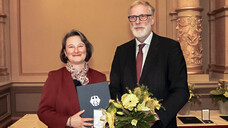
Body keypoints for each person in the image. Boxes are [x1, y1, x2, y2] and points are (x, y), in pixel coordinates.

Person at [109, 1, 189, 128]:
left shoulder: (170, 48)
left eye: (143, 16)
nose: (137, 21)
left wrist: (156, 117)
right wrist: (124, 110)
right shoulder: (121, 51)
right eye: (133, 17)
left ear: (152, 19)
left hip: (160, 125)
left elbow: (181, 91)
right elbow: (114, 88)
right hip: (127, 124)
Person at [38, 30, 106, 128]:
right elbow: (43, 112)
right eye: (71, 47)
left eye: (80, 46)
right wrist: (68, 121)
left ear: (86, 49)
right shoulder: (55, 77)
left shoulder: (100, 78)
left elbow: (103, 112)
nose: (76, 50)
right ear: (65, 52)